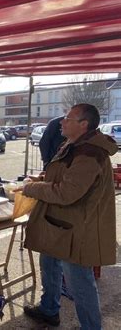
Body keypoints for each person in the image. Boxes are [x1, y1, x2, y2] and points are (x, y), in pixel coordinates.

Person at [20, 104, 117, 329]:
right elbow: (65, 175)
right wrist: (43, 177)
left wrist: (31, 189)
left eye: (68, 118)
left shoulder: (90, 152)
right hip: (58, 223)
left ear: (84, 124)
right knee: (49, 264)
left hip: (76, 230)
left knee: (80, 283)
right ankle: (49, 309)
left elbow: (67, 192)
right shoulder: (74, 144)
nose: (62, 122)